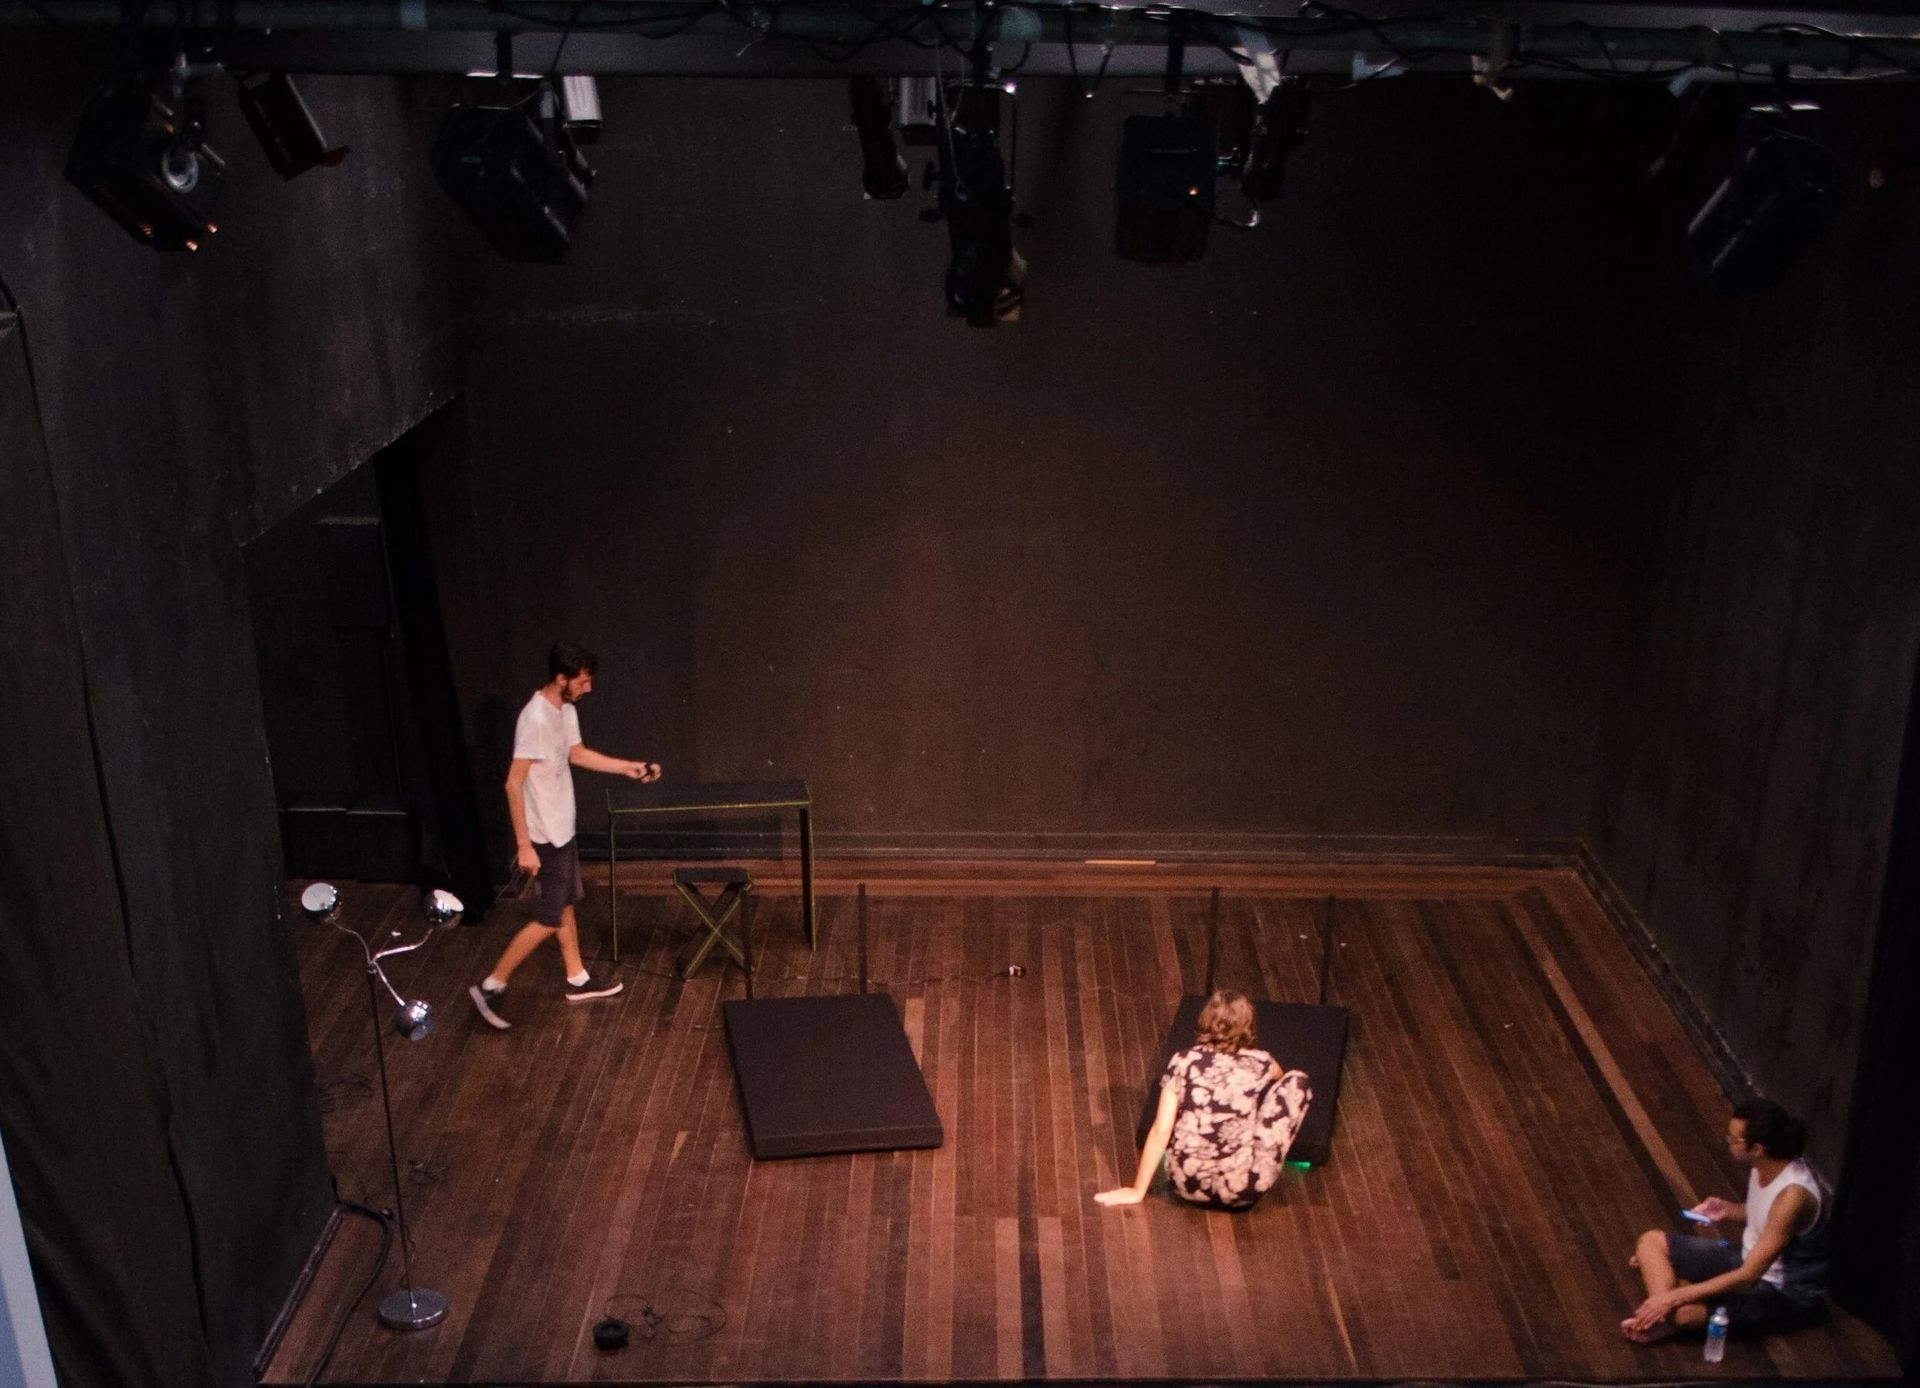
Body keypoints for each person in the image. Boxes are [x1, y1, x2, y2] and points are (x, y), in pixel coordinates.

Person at [469, 641, 660, 1029]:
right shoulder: (535, 719)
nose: (588, 688)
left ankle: (577, 977)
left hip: (563, 829)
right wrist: (524, 844)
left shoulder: (565, 710)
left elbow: (578, 754)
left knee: (566, 903)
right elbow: (512, 783)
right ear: (562, 678)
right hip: (544, 838)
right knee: (548, 917)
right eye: (583, 681)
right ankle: (491, 984)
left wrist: (629, 767)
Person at [1622, 1098, 1832, 1343]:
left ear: (1757, 1149)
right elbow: (1762, 1216)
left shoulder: (1792, 1198)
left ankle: (1664, 1308)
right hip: (1745, 1257)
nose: (1727, 1142)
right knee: (1650, 1241)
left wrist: (1674, 1298)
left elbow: (1749, 1275)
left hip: (1781, 1292)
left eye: (1733, 1139)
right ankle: (1660, 1310)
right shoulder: (1764, 1165)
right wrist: (1727, 1210)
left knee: (1685, 1314)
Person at [1095, 990, 1312, 1210]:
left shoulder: (1183, 1061)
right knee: (1298, 1081)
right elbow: (1282, 1080)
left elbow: (1161, 1129)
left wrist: (1137, 1190)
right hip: (1241, 1189)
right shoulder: (1261, 1062)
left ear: (1207, 1021)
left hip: (1186, 1184)